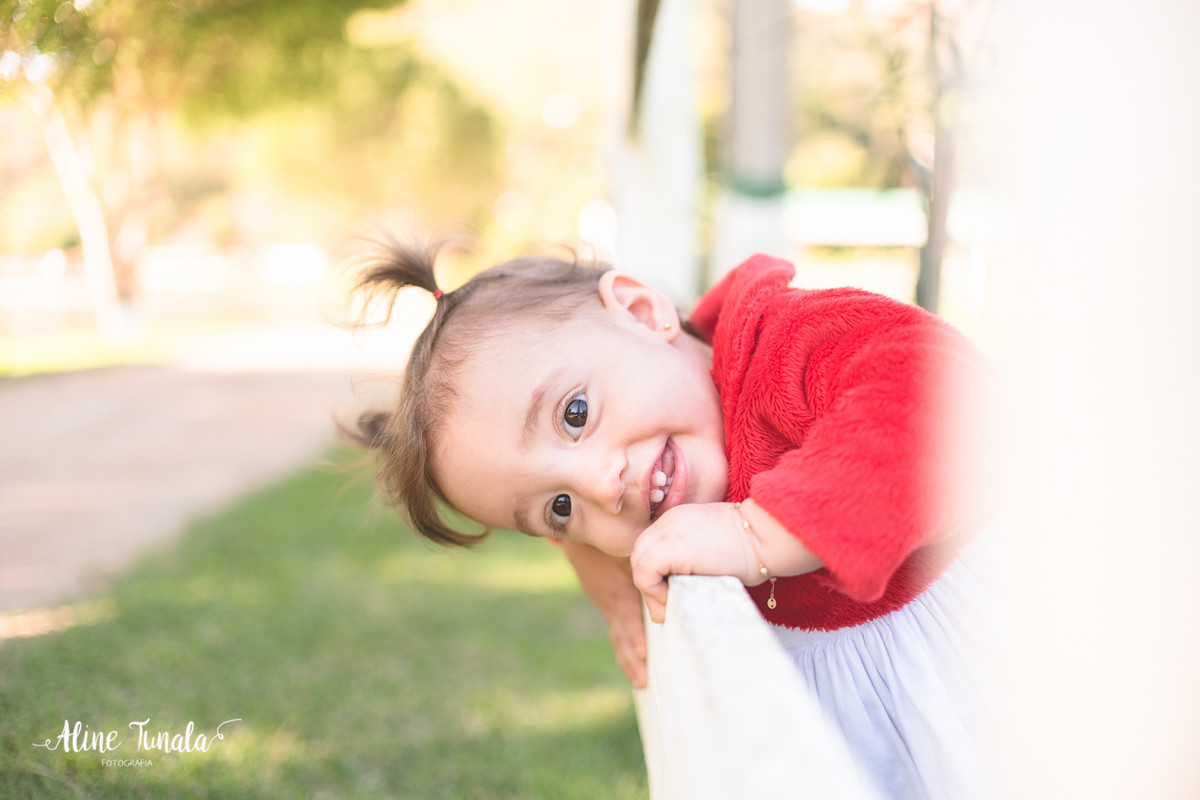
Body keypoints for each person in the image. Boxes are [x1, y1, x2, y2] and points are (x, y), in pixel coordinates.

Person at [350, 237, 996, 800]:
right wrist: (589, 559)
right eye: (560, 507)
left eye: (575, 415)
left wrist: (762, 532)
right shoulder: (648, 449)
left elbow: (937, 394)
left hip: (975, 680)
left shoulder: (786, 343)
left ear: (641, 311)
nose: (603, 487)